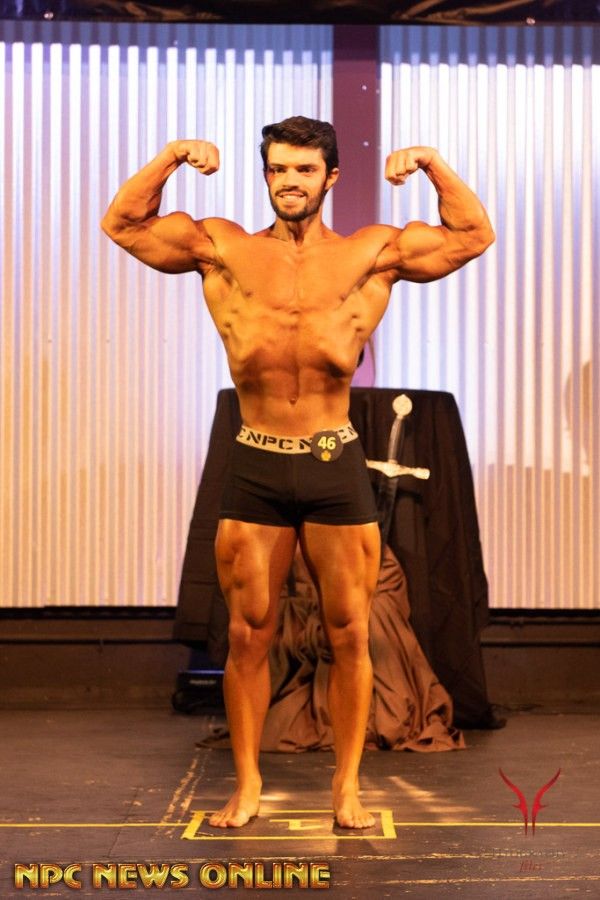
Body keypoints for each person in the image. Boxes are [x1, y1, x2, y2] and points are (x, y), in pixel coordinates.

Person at [101, 116, 494, 830]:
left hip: (331, 459)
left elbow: (471, 236)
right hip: (255, 459)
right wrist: (170, 156)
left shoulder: (370, 253)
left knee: (350, 633)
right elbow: (123, 224)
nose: (290, 181)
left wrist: (434, 163)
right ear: (266, 175)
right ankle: (248, 784)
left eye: (305, 170)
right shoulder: (223, 248)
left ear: (330, 178)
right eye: (279, 169)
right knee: (249, 633)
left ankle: (346, 789)